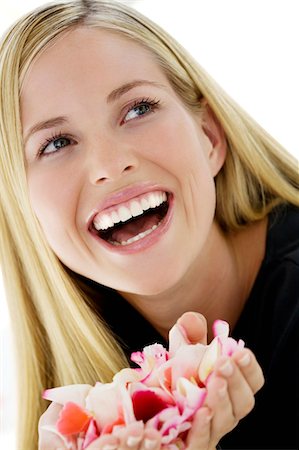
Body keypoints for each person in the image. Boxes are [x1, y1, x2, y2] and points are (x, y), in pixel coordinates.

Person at [0, 0, 298, 449]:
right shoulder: (90, 404)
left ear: (209, 138)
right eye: (57, 142)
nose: (110, 164)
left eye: (137, 109)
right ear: (26, 213)